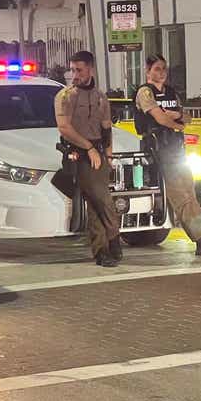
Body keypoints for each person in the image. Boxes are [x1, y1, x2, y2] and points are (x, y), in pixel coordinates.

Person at [134, 55, 201, 257]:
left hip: (176, 149)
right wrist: (177, 124)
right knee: (182, 197)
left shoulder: (170, 92)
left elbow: (187, 116)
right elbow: (159, 117)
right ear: (148, 71)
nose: (162, 73)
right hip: (159, 150)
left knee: (190, 194)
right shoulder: (145, 92)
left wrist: (176, 117)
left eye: (164, 69)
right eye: (157, 69)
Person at [55, 51, 122, 267]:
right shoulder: (65, 96)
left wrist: (108, 155)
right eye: (72, 69)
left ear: (90, 70)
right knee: (101, 198)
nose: (74, 75)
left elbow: (106, 128)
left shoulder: (100, 96)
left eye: (79, 70)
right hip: (79, 153)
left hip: (99, 154)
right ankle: (113, 239)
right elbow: (65, 128)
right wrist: (89, 148)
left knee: (96, 202)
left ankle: (102, 251)